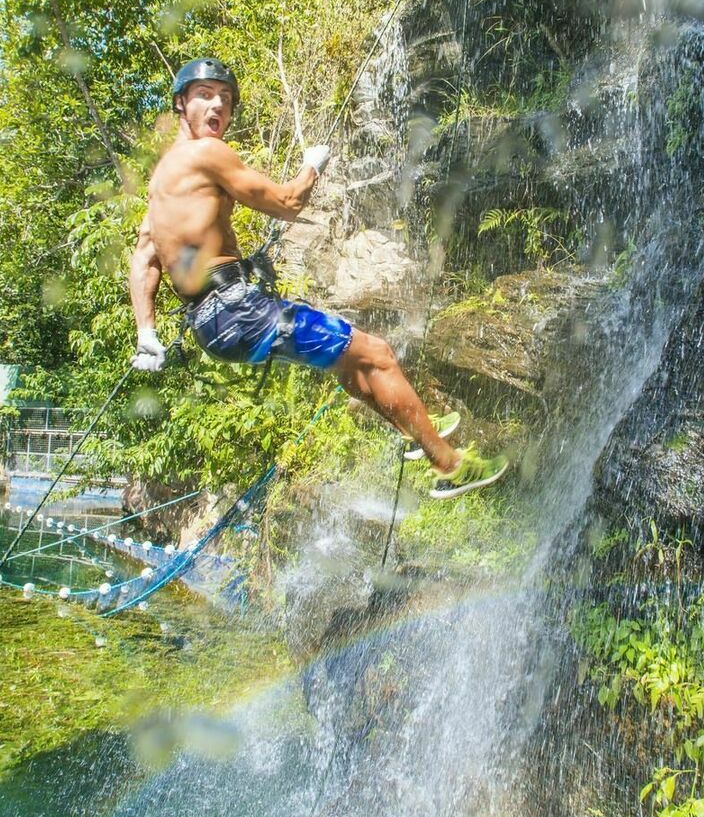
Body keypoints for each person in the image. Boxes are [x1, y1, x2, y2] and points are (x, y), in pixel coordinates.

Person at [128, 58, 508, 500]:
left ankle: (411, 421)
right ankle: (450, 464)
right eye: (205, 94)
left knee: (351, 361)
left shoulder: (162, 180)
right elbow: (287, 203)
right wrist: (313, 166)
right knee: (378, 354)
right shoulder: (207, 154)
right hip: (237, 310)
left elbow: (144, 259)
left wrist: (146, 333)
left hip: (212, 323)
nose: (217, 106)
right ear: (180, 103)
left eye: (226, 99)